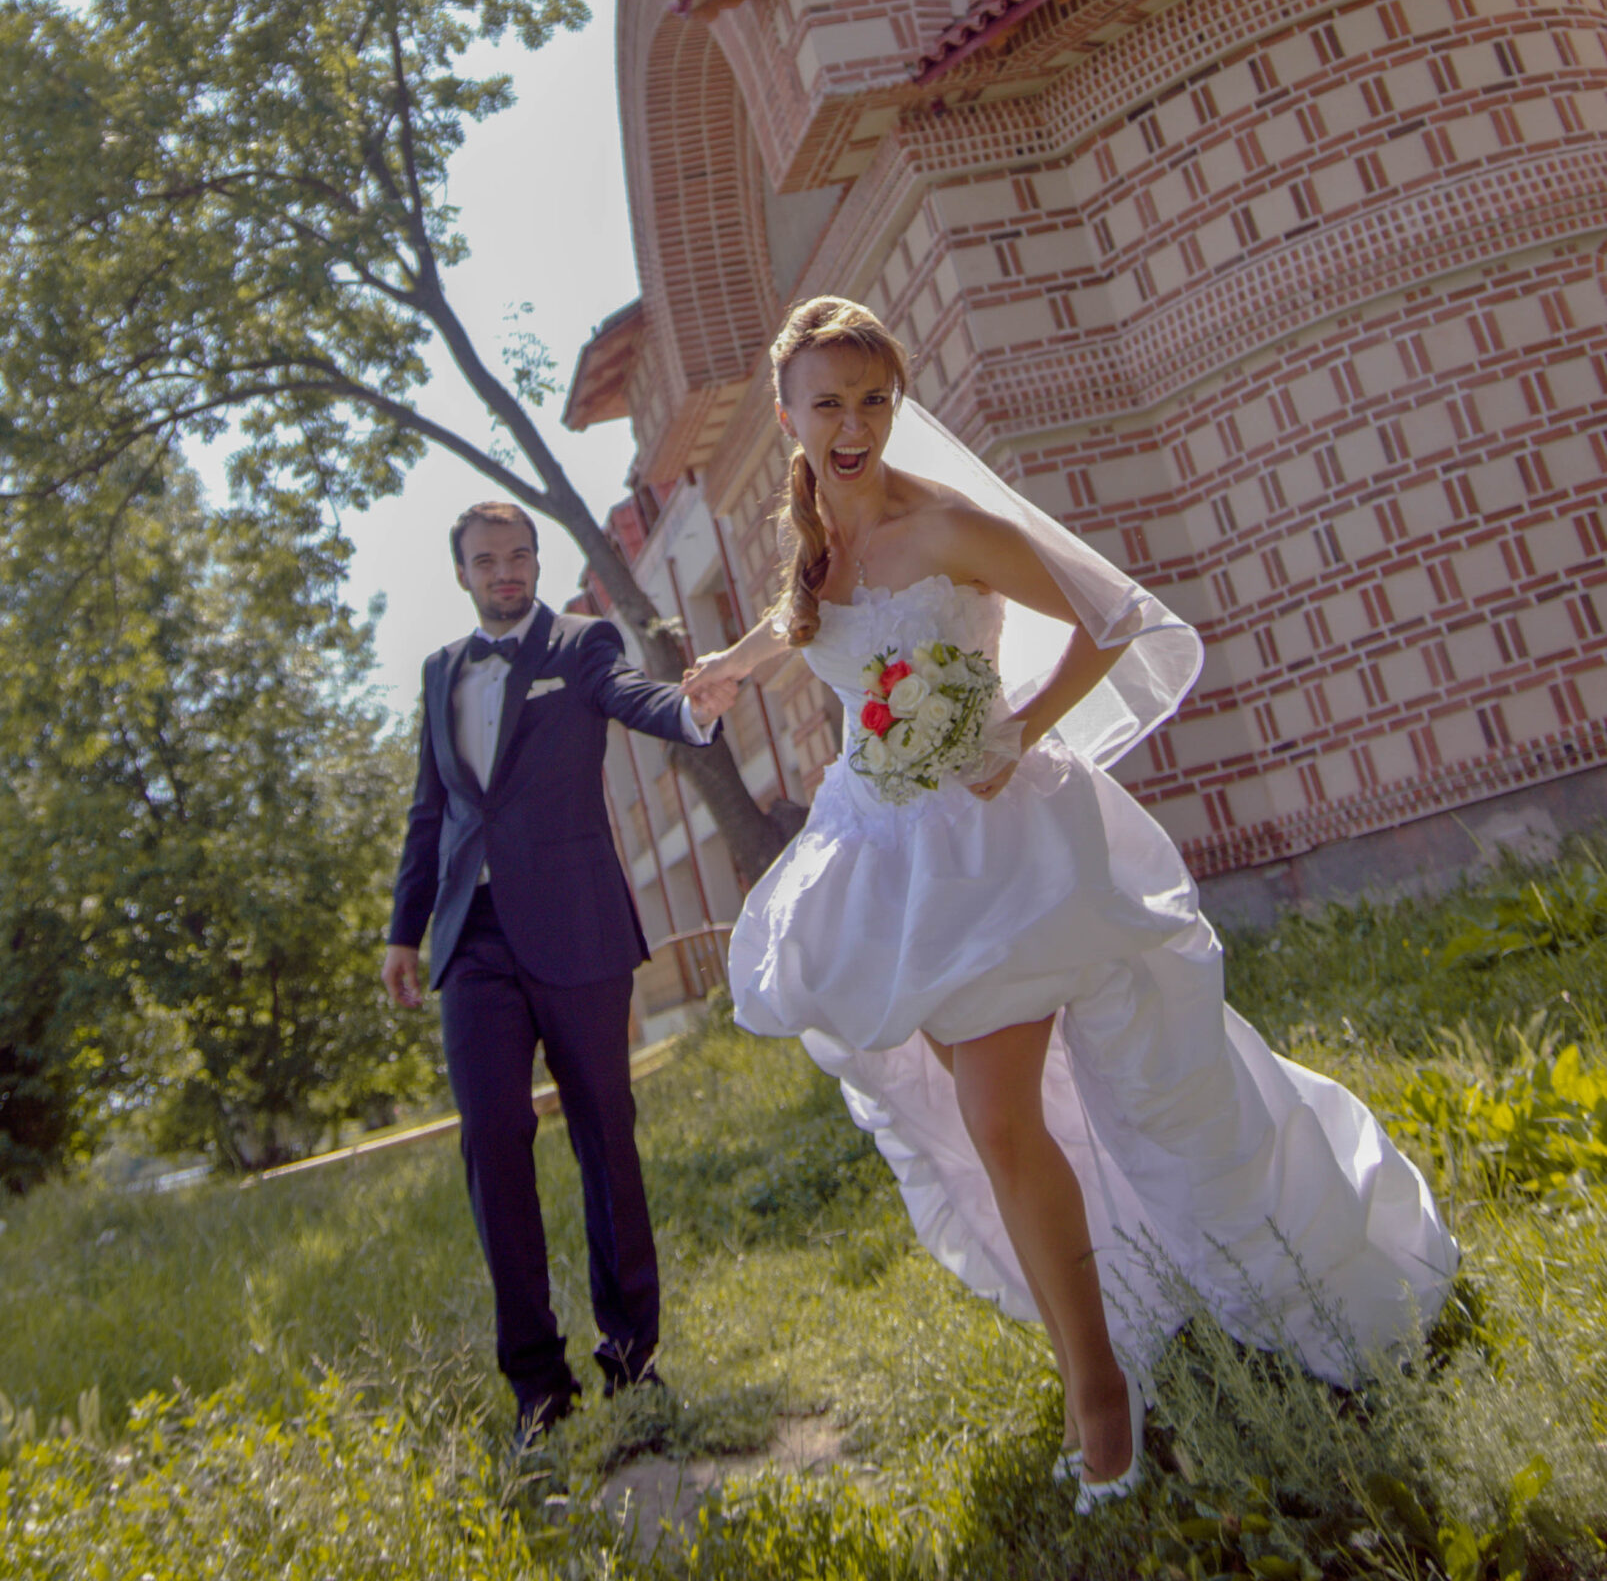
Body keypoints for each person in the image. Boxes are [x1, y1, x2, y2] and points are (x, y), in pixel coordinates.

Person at [685, 297, 1456, 1514]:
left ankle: (1102, 1400)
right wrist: (733, 666)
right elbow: (809, 626)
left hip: (998, 852)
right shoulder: (817, 545)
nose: (854, 424)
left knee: (997, 1119)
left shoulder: (950, 526)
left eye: (875, 399)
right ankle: (1111, 1332)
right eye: (828, 403)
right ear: (788, 416)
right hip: (892, 862)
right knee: (1014, 1120)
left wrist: (1016, 732)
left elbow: (1112, 617)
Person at [383, 499, 724, 1444]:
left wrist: (690, 709)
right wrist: (404, 931)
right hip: (473, 940)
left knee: (604, 1139)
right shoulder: (441, 672)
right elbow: (430, 810)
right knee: (492, 1143)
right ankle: (537, 1384)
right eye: (487, 560)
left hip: (576, 926)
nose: (506, 572)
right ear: (461, 574)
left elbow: (631, 694)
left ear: (535, 562)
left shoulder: (580, 645)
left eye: (520, 555)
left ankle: (632, 1358)